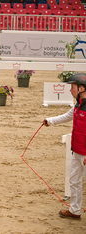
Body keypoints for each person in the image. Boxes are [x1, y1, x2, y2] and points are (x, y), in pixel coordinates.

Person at [43, 73, 86, 219]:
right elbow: (68, 115)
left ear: (81, 89)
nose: (70, 90)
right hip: (77, 150)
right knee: (74, 181)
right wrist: (50, 121)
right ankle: (75, 210)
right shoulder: (78, 104)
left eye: (73, 87)